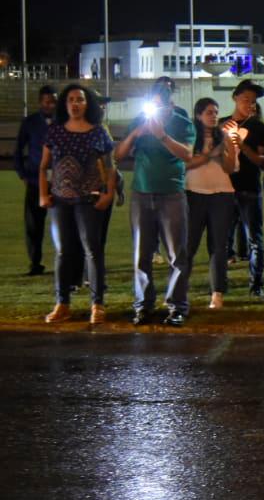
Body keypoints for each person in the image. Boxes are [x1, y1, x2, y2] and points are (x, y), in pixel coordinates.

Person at [114, 83, 196, 326]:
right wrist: (135, 134)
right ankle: (143, 305)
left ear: (170, 105)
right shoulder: (140, 121)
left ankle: (177, 307)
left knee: (176, 255)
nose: (156, 110)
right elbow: (118, 155)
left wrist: (161, 135)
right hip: (142, 192)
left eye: (161, 106)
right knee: (142, 254)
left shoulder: (183, 122)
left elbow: (188, 155)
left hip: (171, 193)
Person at [38, 85, 115, 324]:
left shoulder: (98, 132)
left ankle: (97, 304)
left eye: (79, 99)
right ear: (64, 104)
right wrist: (43, 194)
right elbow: (43, 166)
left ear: (87, 103)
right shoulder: (55, 131)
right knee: (62, 252)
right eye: (70, 99)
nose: (75, 104)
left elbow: (111, 167)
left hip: (88, 200)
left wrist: (108, 194)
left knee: (92, 250)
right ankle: (62, 303)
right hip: (61, 201)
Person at [180, 98, 240, 311]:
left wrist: (230, 146)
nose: (213, 115)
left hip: (222, 194)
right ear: (198, 115)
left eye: (215, 112)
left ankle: (217, 293)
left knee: (219, 246)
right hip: (194, 193)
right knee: (189, 245)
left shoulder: (223, 137)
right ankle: (179, 290)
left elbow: (231, 168)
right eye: (208, 112)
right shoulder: (190, 137)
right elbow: (186, 163)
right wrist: (209, 155)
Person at [221, 79, 264, 297]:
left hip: (249, 187)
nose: (249, 104)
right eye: (245, 99)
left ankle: (256, 284)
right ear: (235, 98)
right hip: (224, 188)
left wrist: (242, 146)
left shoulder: (259, 127)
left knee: (255, 240)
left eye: (253, 101)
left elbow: (262, 161)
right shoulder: (222, 124)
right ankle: (219, 286)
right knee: (222, 239)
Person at [17, 85, 57, 276]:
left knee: (62, 223)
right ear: (40, 102)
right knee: (34, 224)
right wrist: (22, 174)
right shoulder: (30, 122)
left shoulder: (63, 121)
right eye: (47, 101)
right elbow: (18, 149)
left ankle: (66, 261)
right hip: (35, 179)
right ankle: (35, 263)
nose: (50, 105)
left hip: (60, 180)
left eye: (53, 101)